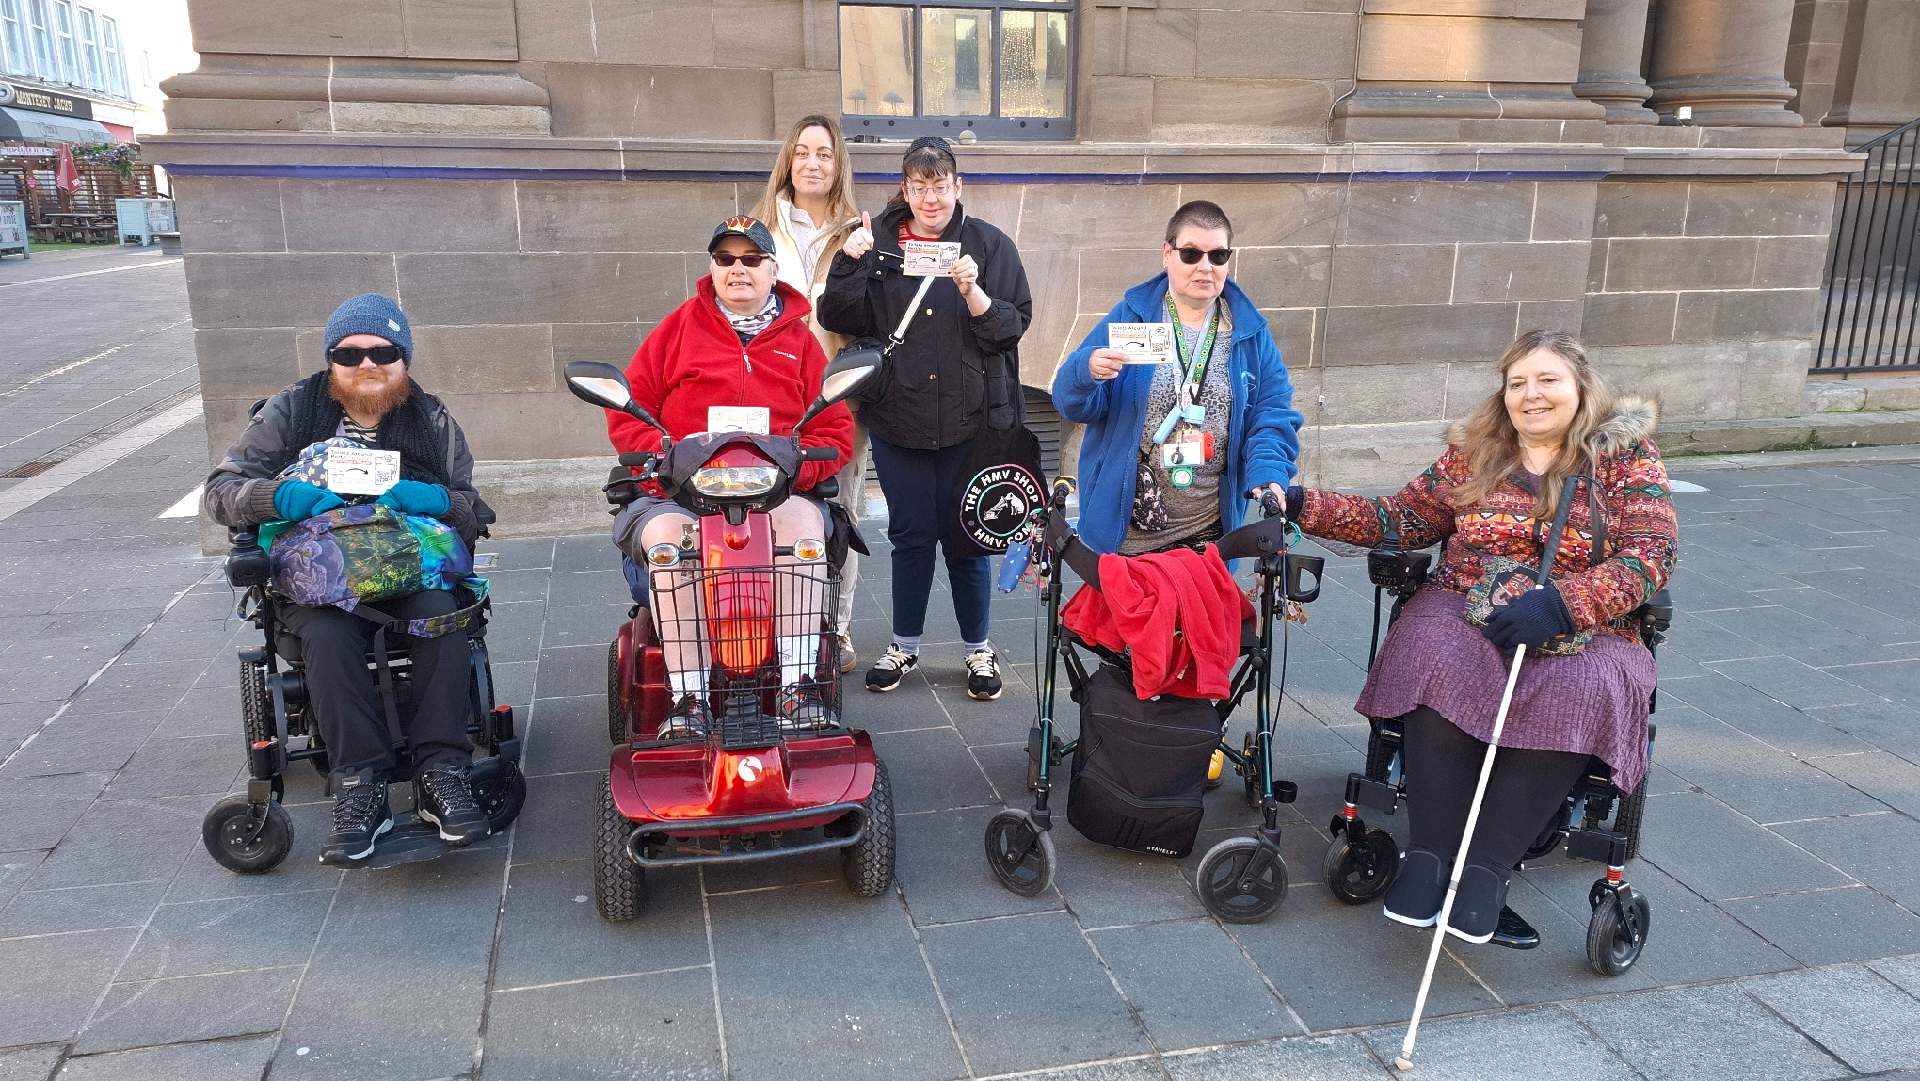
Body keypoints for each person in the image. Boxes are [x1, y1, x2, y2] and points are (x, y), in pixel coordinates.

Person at [1288, 330, 1677, 945]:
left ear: (1579, 386)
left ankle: (1484, 873)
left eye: (1547, 380)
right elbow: (1404, 518)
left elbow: (1651, 553)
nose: (1532, 394)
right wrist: (1301, 503)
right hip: (1465, 599)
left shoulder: (1625, 458)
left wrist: (1566, 604)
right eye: (1518, 383)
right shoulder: (1477, 452)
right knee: (1434, 654)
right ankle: (1428, 858)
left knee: (1579, 686)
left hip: (1582, 619)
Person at [203, 293, 498, 865]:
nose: (367, 364)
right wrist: (275, 496)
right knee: (327, 635)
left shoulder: (431, 419)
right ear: (331, 360)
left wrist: (437, 498)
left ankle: (441, 772)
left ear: (404, 358)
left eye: (383, 351)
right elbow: (221, 492)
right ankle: (360, 786)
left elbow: (472, 508)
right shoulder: (292, 410)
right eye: (350, 353)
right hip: (315, 574)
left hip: (406, 563)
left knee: (440, 614)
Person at [607, 215, 853, 738]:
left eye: (751, 259)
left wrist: (796, 462)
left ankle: (797, 686)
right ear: (712, 267)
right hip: (682, 492)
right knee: (669, 540)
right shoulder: (676, 329)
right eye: (725, 259)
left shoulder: (801, 343)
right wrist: (663, 456)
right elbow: (629, 408)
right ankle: (689, 698)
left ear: (772, 269)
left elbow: (833, 427)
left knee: (805, 530)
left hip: (773, 493)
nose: (737, 269)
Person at [817, 136, 1032, 701]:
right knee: (911, 539)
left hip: (971, 422)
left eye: (939, 186)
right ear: (905, 189)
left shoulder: (989, 245)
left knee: (967, 541)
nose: (930, 198)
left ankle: (977, 650)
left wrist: (975, 293)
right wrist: (850, 259)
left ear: (957, 187)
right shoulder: (880, 243)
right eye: (919, 187)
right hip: (900, 419)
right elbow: (838, 314)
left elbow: (1012, 328)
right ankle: (904, 645)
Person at [1052, 200, 1302, 556]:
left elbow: (1272, 414)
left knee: (1203, 613)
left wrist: (1268, 474)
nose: (1205, 266)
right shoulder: (1132, 316)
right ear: (1166, 254)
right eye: (1191, 254)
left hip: (1211, 531)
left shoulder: (1250, 332)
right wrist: (1086, 371)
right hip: (1127, 531)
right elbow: (1071, 404)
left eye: (1217, 256)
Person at [749, 114, 868, 675]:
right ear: (788, 161)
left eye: (824, 153)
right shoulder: (758, 228)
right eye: (802, 153)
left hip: (837, 396)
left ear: (837, 161)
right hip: (772, 392)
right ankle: (772, 623)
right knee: (765, 509)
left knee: (840, 511)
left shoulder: (857, 231)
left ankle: (836, 629)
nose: (813, 163)